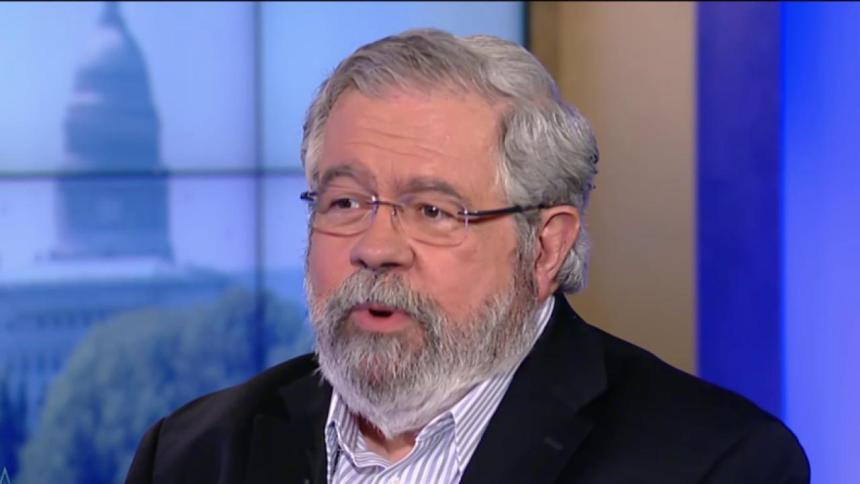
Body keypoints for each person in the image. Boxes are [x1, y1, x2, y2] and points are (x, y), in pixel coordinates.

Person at [126, 28, 809, 484]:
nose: (374, 248)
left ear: (545, 247)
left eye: (433, 211)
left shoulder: (716, 464)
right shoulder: (191, 455)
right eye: (345, 202)